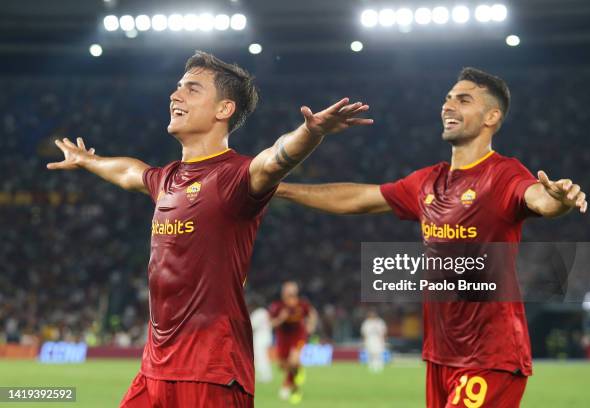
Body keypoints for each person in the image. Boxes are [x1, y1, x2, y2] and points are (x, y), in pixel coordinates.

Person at [47, 50, 372, 407]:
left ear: (224, 109)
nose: (175, 95)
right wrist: (88, 160)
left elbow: (277, 157)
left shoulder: (234, 177)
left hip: (210, 372)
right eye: (177, 87)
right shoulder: (166, 178)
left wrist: (311, 131)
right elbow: (127, 172)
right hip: (154, 369)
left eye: (192, 89)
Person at [276, 67, 588, 408]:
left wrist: (558, 199)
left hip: (490, 355)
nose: (448, 106)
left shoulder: (503, 174)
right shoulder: (428, 181)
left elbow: (537, 198)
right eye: (447, 98)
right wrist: (277, 188)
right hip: (441, 355)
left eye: (463, 100)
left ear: (491, 116)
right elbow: (357, 198)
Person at [269, 281, 317, 404]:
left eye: (292, 293)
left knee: (293, 360)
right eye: (288, 293)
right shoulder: (277, 307)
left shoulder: (302, 305)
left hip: (298, 336)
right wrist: (281, 319)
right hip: (283, 338)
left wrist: (311, 325)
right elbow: (270, 324)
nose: (290, 296)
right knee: (283, 366)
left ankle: (290, 387)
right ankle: (295, 379)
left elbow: (312, 313)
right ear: (283, 294)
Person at [250, 299, 273, 383]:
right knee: (263, 356)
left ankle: (265, 375)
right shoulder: (265, 312)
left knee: (261, 356)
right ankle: (266, 374)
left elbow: (251, 325)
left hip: (260, 337)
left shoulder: (257, 313)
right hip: (267, 336)